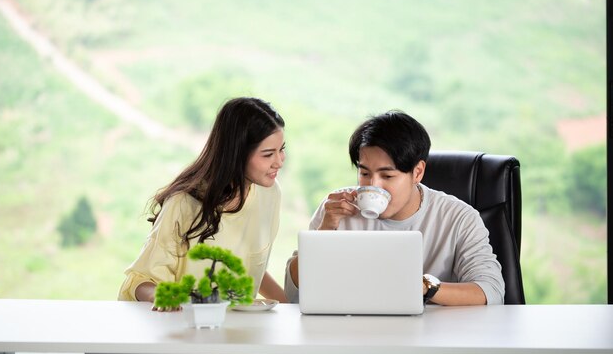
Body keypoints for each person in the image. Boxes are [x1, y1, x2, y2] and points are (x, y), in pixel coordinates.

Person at [285, 110, 504, 305]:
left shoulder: (459, 217)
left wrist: (425, 287)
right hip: (351, 333)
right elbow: (293, 292)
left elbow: (491, 292)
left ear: (417, 172)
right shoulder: (337, 208)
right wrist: (323, 233)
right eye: (364, 173)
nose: (373, 185)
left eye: (387, 175)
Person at [119, 97, 287, 305]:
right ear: (237, 153)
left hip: (241, 330)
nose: (279, 161)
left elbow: (249, 267)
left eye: (281, 149)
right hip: (185, 325)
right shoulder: (183, 203)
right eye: (268, 154)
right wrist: (167, 300)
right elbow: (141, 280)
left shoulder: (269, 194)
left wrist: (291, 305)